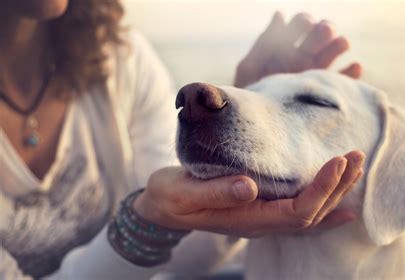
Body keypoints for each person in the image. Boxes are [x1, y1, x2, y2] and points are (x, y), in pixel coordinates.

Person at [0, 0, 365, 279]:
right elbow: (161, 222)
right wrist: (148, 219)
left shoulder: (118, 58)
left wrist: (248, 122)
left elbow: (187, 256)